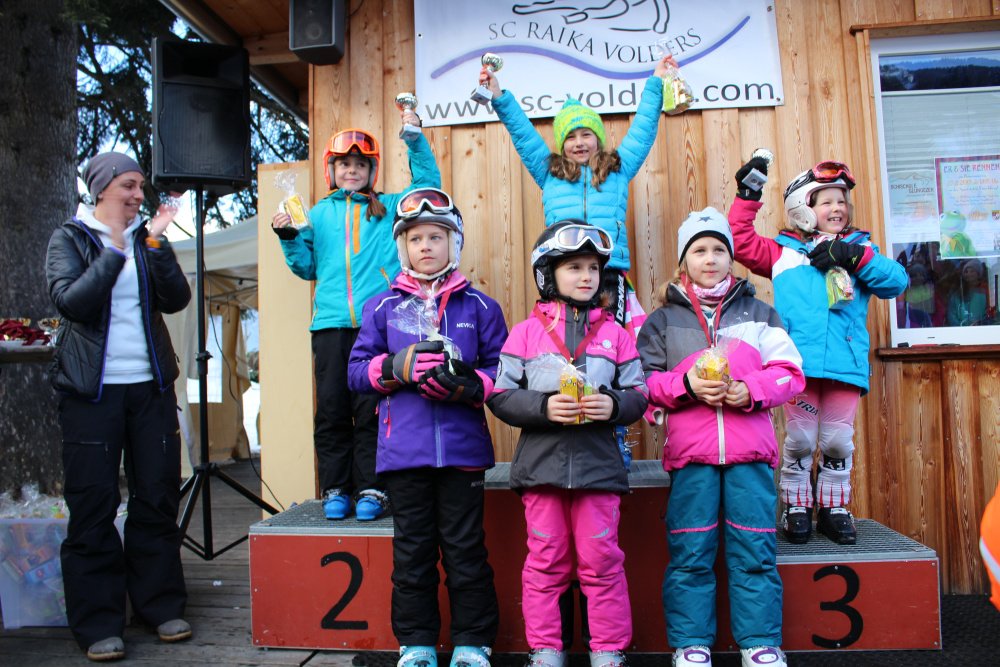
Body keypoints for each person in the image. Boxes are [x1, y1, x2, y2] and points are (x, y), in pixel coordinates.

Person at [636, 208, 805, 667]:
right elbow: (643, 384)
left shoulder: (760, 313)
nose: (709, 259)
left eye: (718, 250)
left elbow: (790, 374)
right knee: (690, 552)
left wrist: (750, 390)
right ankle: (691, 643)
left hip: (751, 458)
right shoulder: (662, 322)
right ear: (683, 261)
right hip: (692, 459)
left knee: (755, 549)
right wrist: (686, 386)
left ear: (731, 258)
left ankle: (760, 642)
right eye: (699, 250)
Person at [347, 188, 507, 667]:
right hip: (403, 453)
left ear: (454, 243)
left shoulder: (481, 307)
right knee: (412, 553)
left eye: (436, 236)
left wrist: (470, 385)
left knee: (465, 551)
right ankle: (416, 643)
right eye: (415, 239)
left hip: (463, 453)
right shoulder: (381, 307)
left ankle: (472, 642)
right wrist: (394, 368)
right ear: (403, 247)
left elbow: (504, 372)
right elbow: (355, 372)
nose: (426, 246)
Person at [45, 152, 192, 662]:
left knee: (157, 496)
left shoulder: (145, 238)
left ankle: (159, 605)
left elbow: (176, 299)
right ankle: (99, 622)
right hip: (91, 393)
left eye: (139, 186)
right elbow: (73, 302)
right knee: (93, 504)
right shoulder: (70, 238)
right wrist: (112, 251)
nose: (137, 194)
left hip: (149, 388)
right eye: (128, 185)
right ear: (101, 188)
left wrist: (155, 244)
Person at [487, 221, 648, 667]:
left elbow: (639, 394)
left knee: (601, 560)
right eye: (574, 267)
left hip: (600, 472)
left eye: (594, 268)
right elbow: (500, 395)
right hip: (542, 471)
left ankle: (608, 650)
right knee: (546, 561)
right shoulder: (525, 333)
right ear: (547, 274)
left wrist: (612, 405)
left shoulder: (617, 335)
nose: (587, 276)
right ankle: (546, 650)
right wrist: (543, 407)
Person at [728, 157, 908, 545]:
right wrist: (748, 195)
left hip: (845, 367)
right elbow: (739, 241)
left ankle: (833, 507)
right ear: (802, 207)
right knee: (801, 440)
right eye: (826, 201)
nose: (837, 208)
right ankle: (796, 506)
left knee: (838, 442)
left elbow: (896, 282)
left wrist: (854, 257)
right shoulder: (783, 253)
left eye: (842, 201)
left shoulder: (861, 250)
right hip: (799, 368)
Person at [272, 112, 441, 521]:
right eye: (344, 164)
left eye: (360, 164)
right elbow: (306, 268)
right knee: (332, 410)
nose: (352, 170)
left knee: (372, 411)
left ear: (372, 171)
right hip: (330, 326)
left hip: (376, 325)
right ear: (331, 170)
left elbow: (428, 186)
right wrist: (288, 237)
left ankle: (373, 488)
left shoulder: (390, 209)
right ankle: (335, 488)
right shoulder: (316, 214)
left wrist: (415, 140)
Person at [478, 56, 674, 335]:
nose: (579, 143)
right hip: (563, 268)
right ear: (562, 144)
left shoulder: (618, 169)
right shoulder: (549, 172)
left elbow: (643, 128)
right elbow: (522, 133)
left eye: (586, 134)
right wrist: (498, 96)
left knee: (611, 338)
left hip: (607, 270)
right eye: (570, 137)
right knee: (566, 336)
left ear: (598, 139)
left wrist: (656, 82)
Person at [946, 258, 990, 326]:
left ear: (978, 274)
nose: (969, 274)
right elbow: (951, 315)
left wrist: (979, 324)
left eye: (972, 271)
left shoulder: (985, 292)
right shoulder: (957, 294)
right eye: (966, 272)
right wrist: (960, 327)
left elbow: (987, 314)